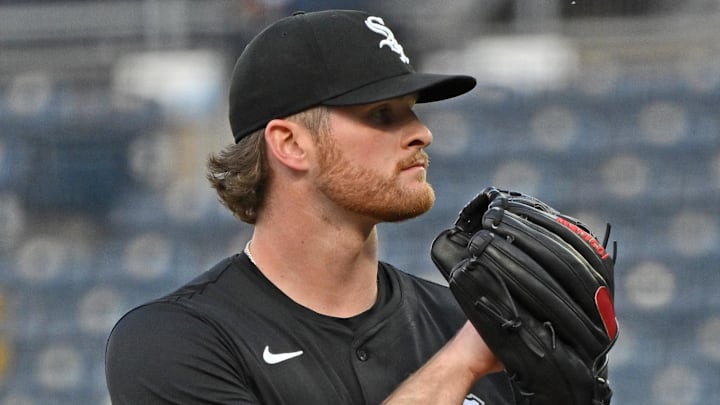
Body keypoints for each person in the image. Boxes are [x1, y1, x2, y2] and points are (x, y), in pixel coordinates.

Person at [105, 9, 516, 404]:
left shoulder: (467, 323)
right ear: (290, 144)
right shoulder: (176, 341)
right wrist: (459, 366)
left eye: (411, 109)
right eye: (382, 113)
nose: (421, 133)